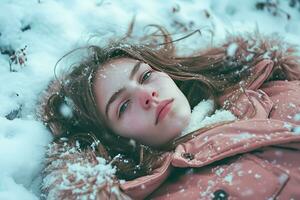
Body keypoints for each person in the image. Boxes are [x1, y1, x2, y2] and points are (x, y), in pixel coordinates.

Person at [39, 27, 300, 199]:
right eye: (123, 106)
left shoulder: (269, 84)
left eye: (145, 76)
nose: (147, 94)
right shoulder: (171, 193)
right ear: (113, 139)